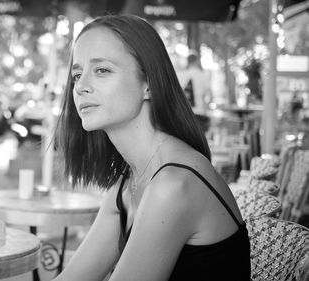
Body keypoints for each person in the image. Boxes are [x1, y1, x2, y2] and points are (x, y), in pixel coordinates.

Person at [53, 15, 250, 281]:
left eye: (102, 70)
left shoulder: (173, 184)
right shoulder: (127, 185)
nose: (81, 87)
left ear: (148, 84)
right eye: (77, 74)